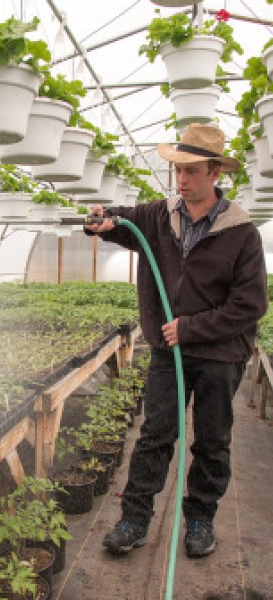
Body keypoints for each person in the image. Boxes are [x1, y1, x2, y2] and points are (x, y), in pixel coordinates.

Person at [84, 123, 268, 558]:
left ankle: (200, 519)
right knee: (155, 434)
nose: (181, 181)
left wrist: (190, 328)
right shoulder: (158, 216)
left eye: (190, 172)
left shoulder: (242, 233)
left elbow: (250, 304)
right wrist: (100, 219)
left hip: (221, 355)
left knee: (212, 439)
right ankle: (134, 519)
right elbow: (121, 219)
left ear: (215, 173)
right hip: (169, 353)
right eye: (176, 171)